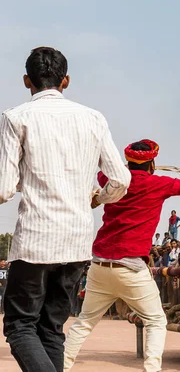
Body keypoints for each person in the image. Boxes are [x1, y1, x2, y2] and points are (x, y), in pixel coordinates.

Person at [0, 47, 131, 372]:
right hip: (76, 243)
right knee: (51, 329)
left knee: (19, 326)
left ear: (27, 80)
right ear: (66, 81)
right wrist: (98, 197)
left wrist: (23, 181)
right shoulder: (93, 118)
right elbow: (120, 179)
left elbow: (4, 187)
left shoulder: (16, 118)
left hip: (35, 241)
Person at [63, 139, 180, 372]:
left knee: (84, 322)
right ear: (152, 163)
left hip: (99, 265)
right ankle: (152, 369)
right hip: (131, 268)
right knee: (156, 321)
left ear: (128, 161)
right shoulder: (158, 183)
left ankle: (60, 366)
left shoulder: (114, 181)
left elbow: (102, 176)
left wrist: (123, 171)